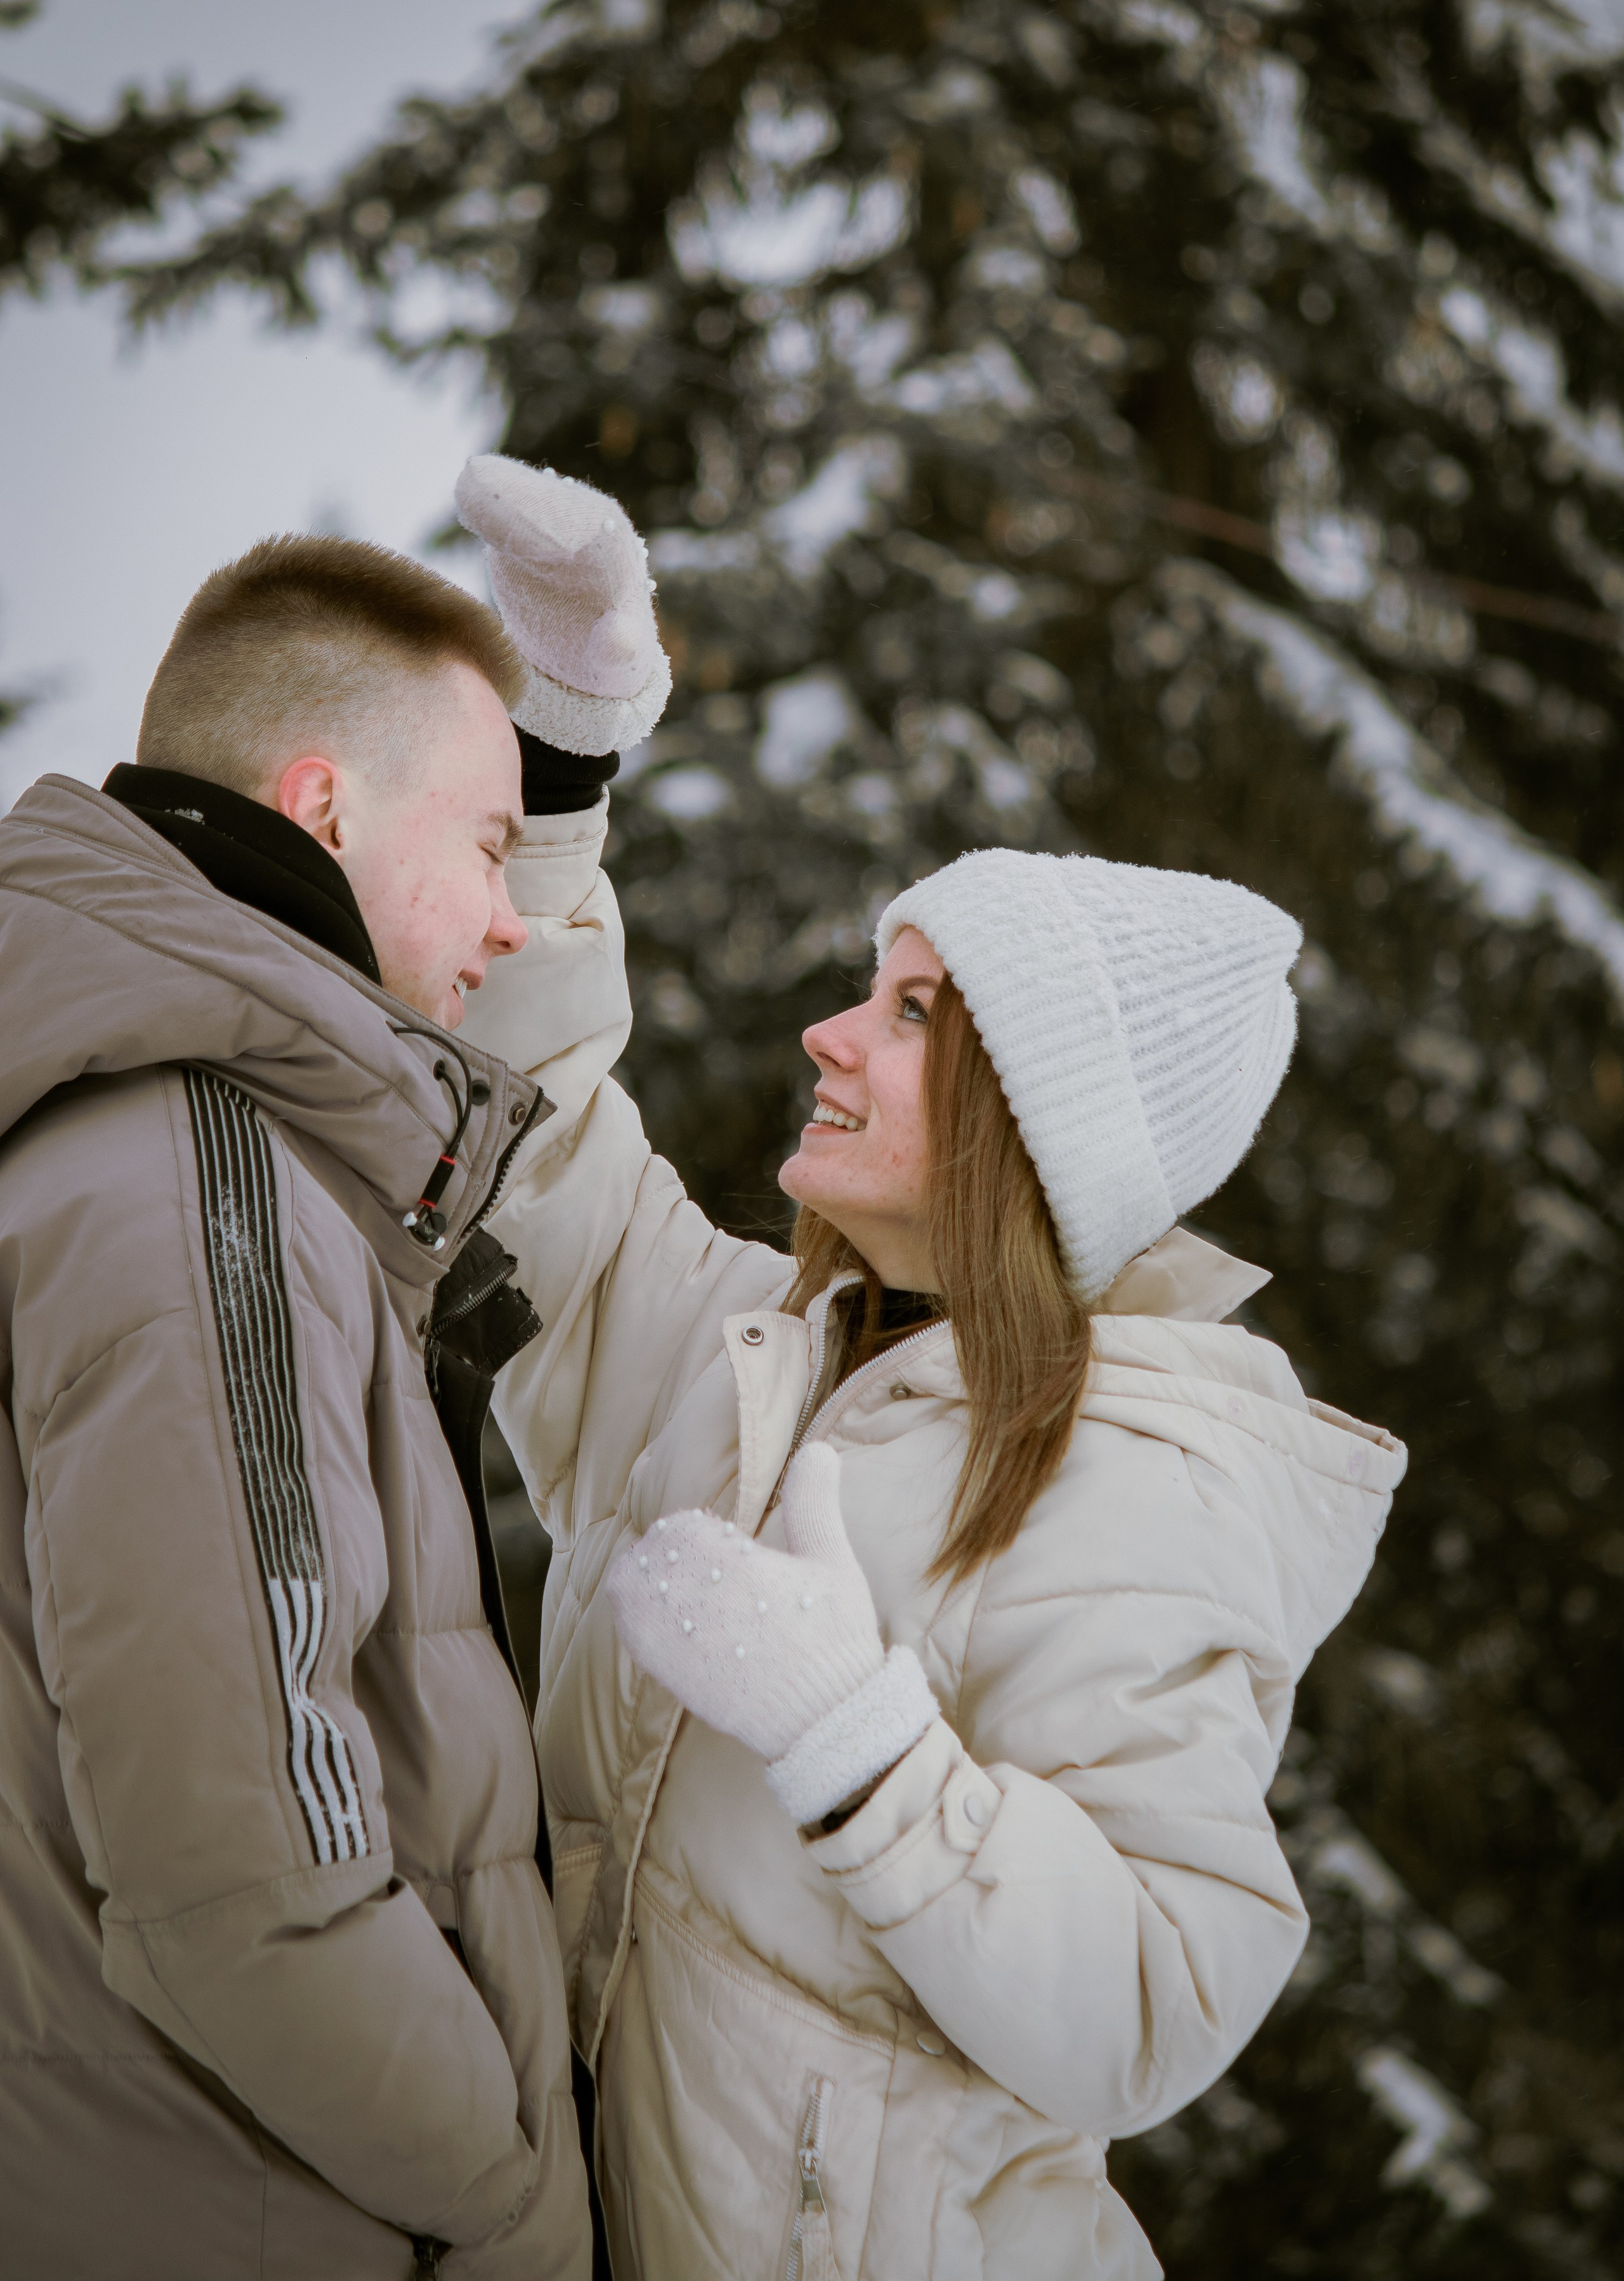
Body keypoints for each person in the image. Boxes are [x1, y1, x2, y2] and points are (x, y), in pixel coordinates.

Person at [449, 452, 1410, 2281]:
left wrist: (858, 1740)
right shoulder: (740, 1350)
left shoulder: (1140, 1473)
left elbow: (1155, 1996)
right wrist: (560, 764)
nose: (829, 1032)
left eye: (909, 1015)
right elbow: (536, 1121)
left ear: (1033, 1127)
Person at [0, 532, 627, 2277]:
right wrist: (518, 2207)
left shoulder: (98, 1137)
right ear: (324, 808)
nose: (512, 920)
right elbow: (247, 1889)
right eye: (494, 848)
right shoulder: (210, 1182)